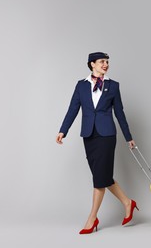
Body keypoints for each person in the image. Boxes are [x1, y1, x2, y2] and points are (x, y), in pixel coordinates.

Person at [56, 52, 138, 235]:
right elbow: (73, 109)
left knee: (99, 178)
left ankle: (92, 218)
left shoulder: (113, 86)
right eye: (102, 62)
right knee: (103, 175)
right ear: (92, 64)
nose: (106, 64)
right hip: (89, 135)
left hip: (107, 135)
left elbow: (120, 113)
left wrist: (128, 137)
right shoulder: (81, 86)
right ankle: (128, 203)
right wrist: (63, 130)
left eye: (107, 62)